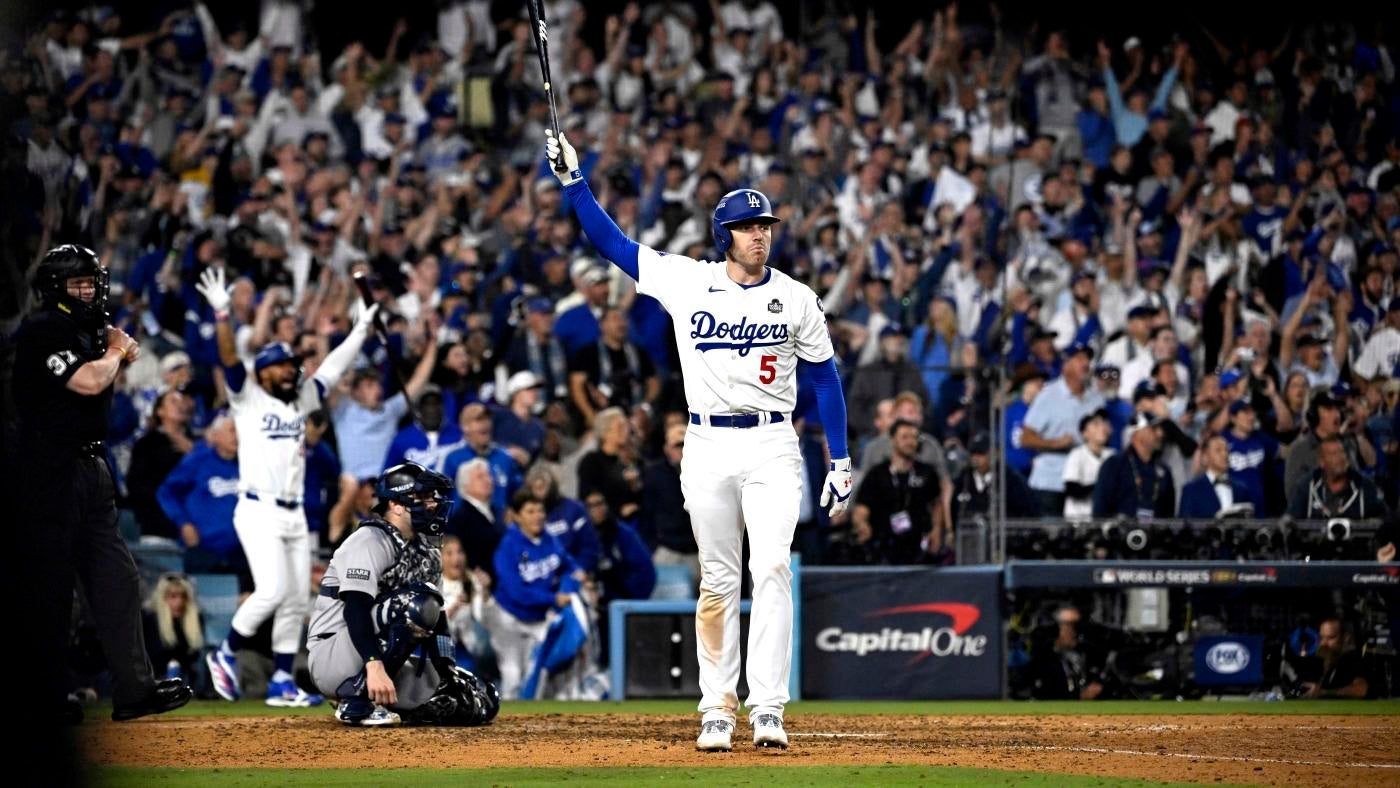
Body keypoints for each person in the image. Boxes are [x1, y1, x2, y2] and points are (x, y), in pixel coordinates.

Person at [549, 131, 850, 751]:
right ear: (724, 236)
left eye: (763, 224)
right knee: (718, 579)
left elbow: (823, 376)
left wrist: (839, 457)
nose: (758, 234)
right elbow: (612, 244)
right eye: (745, 227)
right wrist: (574, 183)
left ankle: (768, 707)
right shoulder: (687, 280)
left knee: (770, 568)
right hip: (706, 442)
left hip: (772, 443)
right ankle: (717, 705)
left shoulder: (795, 297)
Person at [14, 244, 192, 724]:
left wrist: (112, 351)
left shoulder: (83, 330)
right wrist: (116, 351)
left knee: (118, 579)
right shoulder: (44, 329)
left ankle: (134, 690)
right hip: (47, 471)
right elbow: (88, 382)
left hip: (92, 467)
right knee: (51, 589)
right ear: (56, 289)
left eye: (92, 281)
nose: (89, 290)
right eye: (78, 284)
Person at [197, 265, 378, 707]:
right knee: (273, 590)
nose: (291, 371)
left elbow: (333, 369)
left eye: (292, 365)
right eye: (282, 366)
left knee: (297, 599)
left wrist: (359, 330)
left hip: (294, 511)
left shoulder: (303, 399)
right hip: (257, 508)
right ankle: (225, 652)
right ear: (265, 371)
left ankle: (281, 681)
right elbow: (227, 360)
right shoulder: (247, 396)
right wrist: (223, 315)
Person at [307, 462, 499, 727]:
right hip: (334, 654)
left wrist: (447, 672)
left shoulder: (427, 550)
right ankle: (358, 701)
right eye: (423, 496)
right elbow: (356, 609)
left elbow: (438, 616)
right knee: (415, 604)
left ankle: (396, 704)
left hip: (381, 656)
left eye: (433, 496)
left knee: (469, 702)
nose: (433, 503)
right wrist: (374, 666)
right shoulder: (368, 540)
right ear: (396, 504)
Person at [488, 489, 586, 700]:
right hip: (509, 618)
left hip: (539, 617)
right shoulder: (508, 546)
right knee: (513, 675)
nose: (537, 516)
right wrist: (553, 598)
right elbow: (516, 593)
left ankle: (534, 729)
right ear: (516, 515)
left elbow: (572, 568)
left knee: (537, 676)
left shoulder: (550, 539)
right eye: (530, 511)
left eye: (540, 510)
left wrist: (569, 588)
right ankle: (503, 729)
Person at [157, 415, 247, 581]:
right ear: (216, 435)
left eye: (240, 431)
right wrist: (184, 523)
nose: (237, 436)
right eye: (232, 430)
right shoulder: (198, 460)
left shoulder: (249, 464)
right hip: (203, 548)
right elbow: (167, 492)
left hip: (241, 550)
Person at [1021, 342, 1106, 515]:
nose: (1085, 363)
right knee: (1051, 537)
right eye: (1079, 358)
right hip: (1052, 480)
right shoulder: (1048, 395)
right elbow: (1026, 438)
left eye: (1087, 358)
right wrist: (1055, 443)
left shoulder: (1096, 399)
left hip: (1084, 481)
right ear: (1066, 364)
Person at [848, 420, 944, 564]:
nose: (910, 442)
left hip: (919, 549)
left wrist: (936, 530)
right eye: (904, 437)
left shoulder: (927, 472)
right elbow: (861, 509)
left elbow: (936, 504)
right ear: (892, 439)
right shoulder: (877, 474)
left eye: (914, 437)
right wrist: (862, 524)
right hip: (884, 550)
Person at [1092, 412, 1176, 519]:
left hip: (1154, 534)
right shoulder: (1114, 465)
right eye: (1153, 429)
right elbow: (1100, 511)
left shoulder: (1164, 470)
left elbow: (1169, 515)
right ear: (1136, 433)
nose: (1160, 434)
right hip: (1120, 534)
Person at [1287, 436, 1388, 519]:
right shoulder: (1307, 487)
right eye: (1333, 454)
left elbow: (1384, 519)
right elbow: (1291, 519)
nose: (1340, 458)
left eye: (1342, 452)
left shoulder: (1364, 486)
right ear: (1321, 462)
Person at [142, 573, 204, 683]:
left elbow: (193, 654)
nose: (179, 602)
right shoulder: (150, 618)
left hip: (184, 674)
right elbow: (153, 654)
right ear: (163, 598)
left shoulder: (195, 618)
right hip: (154, 675)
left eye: (183, 596)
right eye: (173, 596)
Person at [1179, 434, 1253, 518]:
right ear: (1205, 457)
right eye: (1218, 450)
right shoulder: (1191, 490)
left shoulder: (1241, 489)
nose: (1225, 454)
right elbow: (1184, 525)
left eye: (1226, 450)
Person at [1296, 618, 1370, 699]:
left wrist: (1325, 693)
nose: (1324, 643)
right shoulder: (1325, 662)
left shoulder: (1353, 659)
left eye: (1330, 638)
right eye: (1321, 638)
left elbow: (1361, 689)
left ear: (1345, 637)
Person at [1062, 410, 1113, 520]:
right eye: (1096, 424)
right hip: (1078, 519)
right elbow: (1072, 489)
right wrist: (1101, 488)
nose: (1102, 428)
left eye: (1103, 423)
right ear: (1085, 433)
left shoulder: (1112, 455)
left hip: (1104, 519)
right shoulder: (1077, 454)